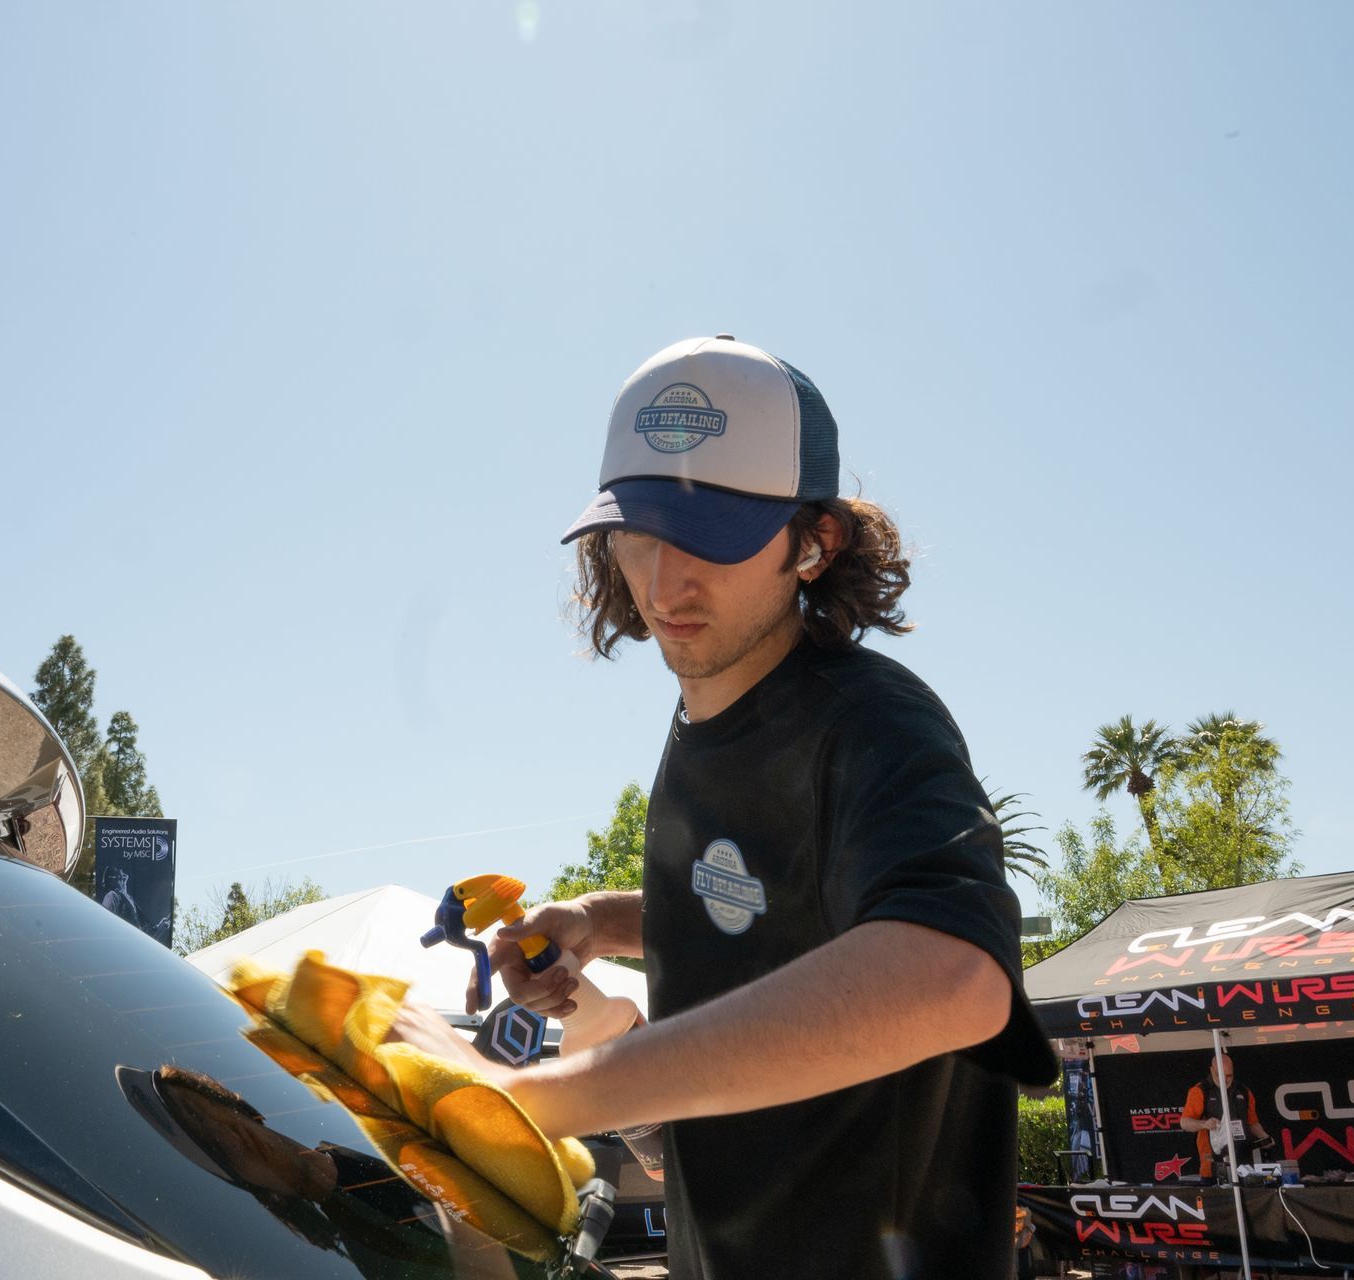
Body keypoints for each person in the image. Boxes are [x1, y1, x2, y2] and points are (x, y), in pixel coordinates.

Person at [390, 335, 1056, 1279]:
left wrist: (540, 1098)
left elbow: (954, 974)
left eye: (712, 539)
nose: (665, 584)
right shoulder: (700, 730)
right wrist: (596, 922)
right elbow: (764, 905)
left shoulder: (873, 720)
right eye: (641, 532)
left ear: (812, 543)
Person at [1179, 1053, 1272, 1180]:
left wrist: (1264, 1137)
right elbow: (1184, 1123)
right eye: (1220, 1075)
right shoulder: (1200, 1091)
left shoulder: (1243, 1091)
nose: (1225, 1080)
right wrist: (1203, 1124)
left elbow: (1252, 1123)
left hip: (1244, 1161)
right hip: (1214, 1163)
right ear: (1212, 1070)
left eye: (1229, 1075)